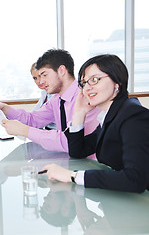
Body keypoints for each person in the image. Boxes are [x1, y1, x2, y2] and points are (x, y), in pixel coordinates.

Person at [41, 54, 149, 193]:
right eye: (84, 83)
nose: (87, 88)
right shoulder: (111, 115)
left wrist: (72, 176)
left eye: (95, 80)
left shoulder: (133, 117)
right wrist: (79, 113)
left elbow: (135, 180)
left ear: (117, 82)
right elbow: (78, 151)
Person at [0, 49, 100, 152]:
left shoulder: (86, 96)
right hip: (69, 160)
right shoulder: (56, 100)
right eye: (38, 77)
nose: (41, 81)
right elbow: (32, 120)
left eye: (44, 75)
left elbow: (69, 140)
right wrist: (4, 108)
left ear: (61, 70)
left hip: (92, 164)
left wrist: (24, 130)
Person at [30, 62, 57, 130]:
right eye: (35, 78)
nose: (39, 81)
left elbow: (39, 119)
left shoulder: (56, 95)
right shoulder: (45, 93)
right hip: (47, 131)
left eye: (40, 76)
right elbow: (33, 113)